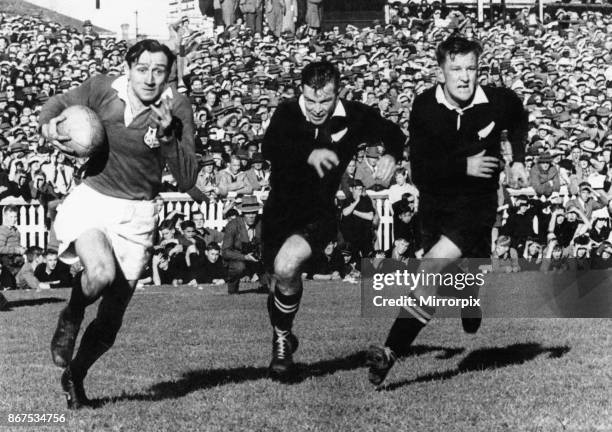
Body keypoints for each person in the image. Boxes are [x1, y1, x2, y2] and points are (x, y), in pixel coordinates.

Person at [40, 39, 198, 409]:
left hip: (138, 215)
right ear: (128, 68)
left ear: (170, 74)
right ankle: (72, 313)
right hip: (94, 199)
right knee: (99, 273)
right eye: (142, 68)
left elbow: (188, 178)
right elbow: (57, 106)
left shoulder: (176, 107)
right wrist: (48, 128)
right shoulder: (101, 89)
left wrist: (170, 137)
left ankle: (75, 376)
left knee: (110, 323)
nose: (150, 78)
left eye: (160, 70)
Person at [366, 35, 528, 386]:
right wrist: (463, 166)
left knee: (432, 269)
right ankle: (469, 297)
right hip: (436, 204)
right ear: (440, 72)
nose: (464, 76)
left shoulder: (496, 100)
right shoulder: (425, 107)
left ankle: (389, 352)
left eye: (471, 68)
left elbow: (517, 116)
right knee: (460, 273)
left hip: (477, 205)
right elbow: (421, 169)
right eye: (455, 69)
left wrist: (517, 159)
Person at [262, 61, 404, 380]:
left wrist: (391, 155)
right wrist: (308, 153)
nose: (316, 108)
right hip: (278, 211)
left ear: (337, 93)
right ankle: (283, 334)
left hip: (317, 211)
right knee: (280, 283)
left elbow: (394, 133)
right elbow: (269, 145)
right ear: (302, 92)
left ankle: (282, 344)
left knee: (287, 266)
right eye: (310, 100)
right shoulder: (287, 112)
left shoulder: (354, 115)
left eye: (324, 101)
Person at [221, 195, 265, 294]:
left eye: (254, 212)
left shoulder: (261, 222)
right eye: (248, 213)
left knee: (270, 287)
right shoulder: (232, 225)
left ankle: (264, 285)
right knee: (239, 267)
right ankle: (232, 288)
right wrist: (245, 257)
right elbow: (225, 252)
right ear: (243, 213)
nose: (251, 216)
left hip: (257, 259)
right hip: (237, 259)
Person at [0, 205, 25, 276]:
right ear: (5, 216)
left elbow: (15, 245)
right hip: (8, 262)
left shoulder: (15, 230)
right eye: (11, 217)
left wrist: (21, 248)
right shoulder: (2, 230)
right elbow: (0, 248)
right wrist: (16, 250)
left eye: (15, 216)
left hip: (17, 260)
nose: (13, 219)